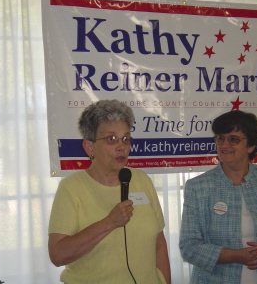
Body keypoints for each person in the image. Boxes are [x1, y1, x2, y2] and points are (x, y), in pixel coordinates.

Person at [48, 99, 171, 284]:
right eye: (111, 139)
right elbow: (58, 255)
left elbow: (159, 244)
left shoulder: (141, 180)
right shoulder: (72, 188)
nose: (121, 146)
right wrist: (109, 222)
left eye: (126, 138)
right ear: (89, 147)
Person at [179, 110, 257, 284]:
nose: (225, 144)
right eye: (220, 138)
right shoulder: (198, 187)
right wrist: (236, 256)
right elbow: (189, 246)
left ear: (250, 146)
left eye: (234, 139)